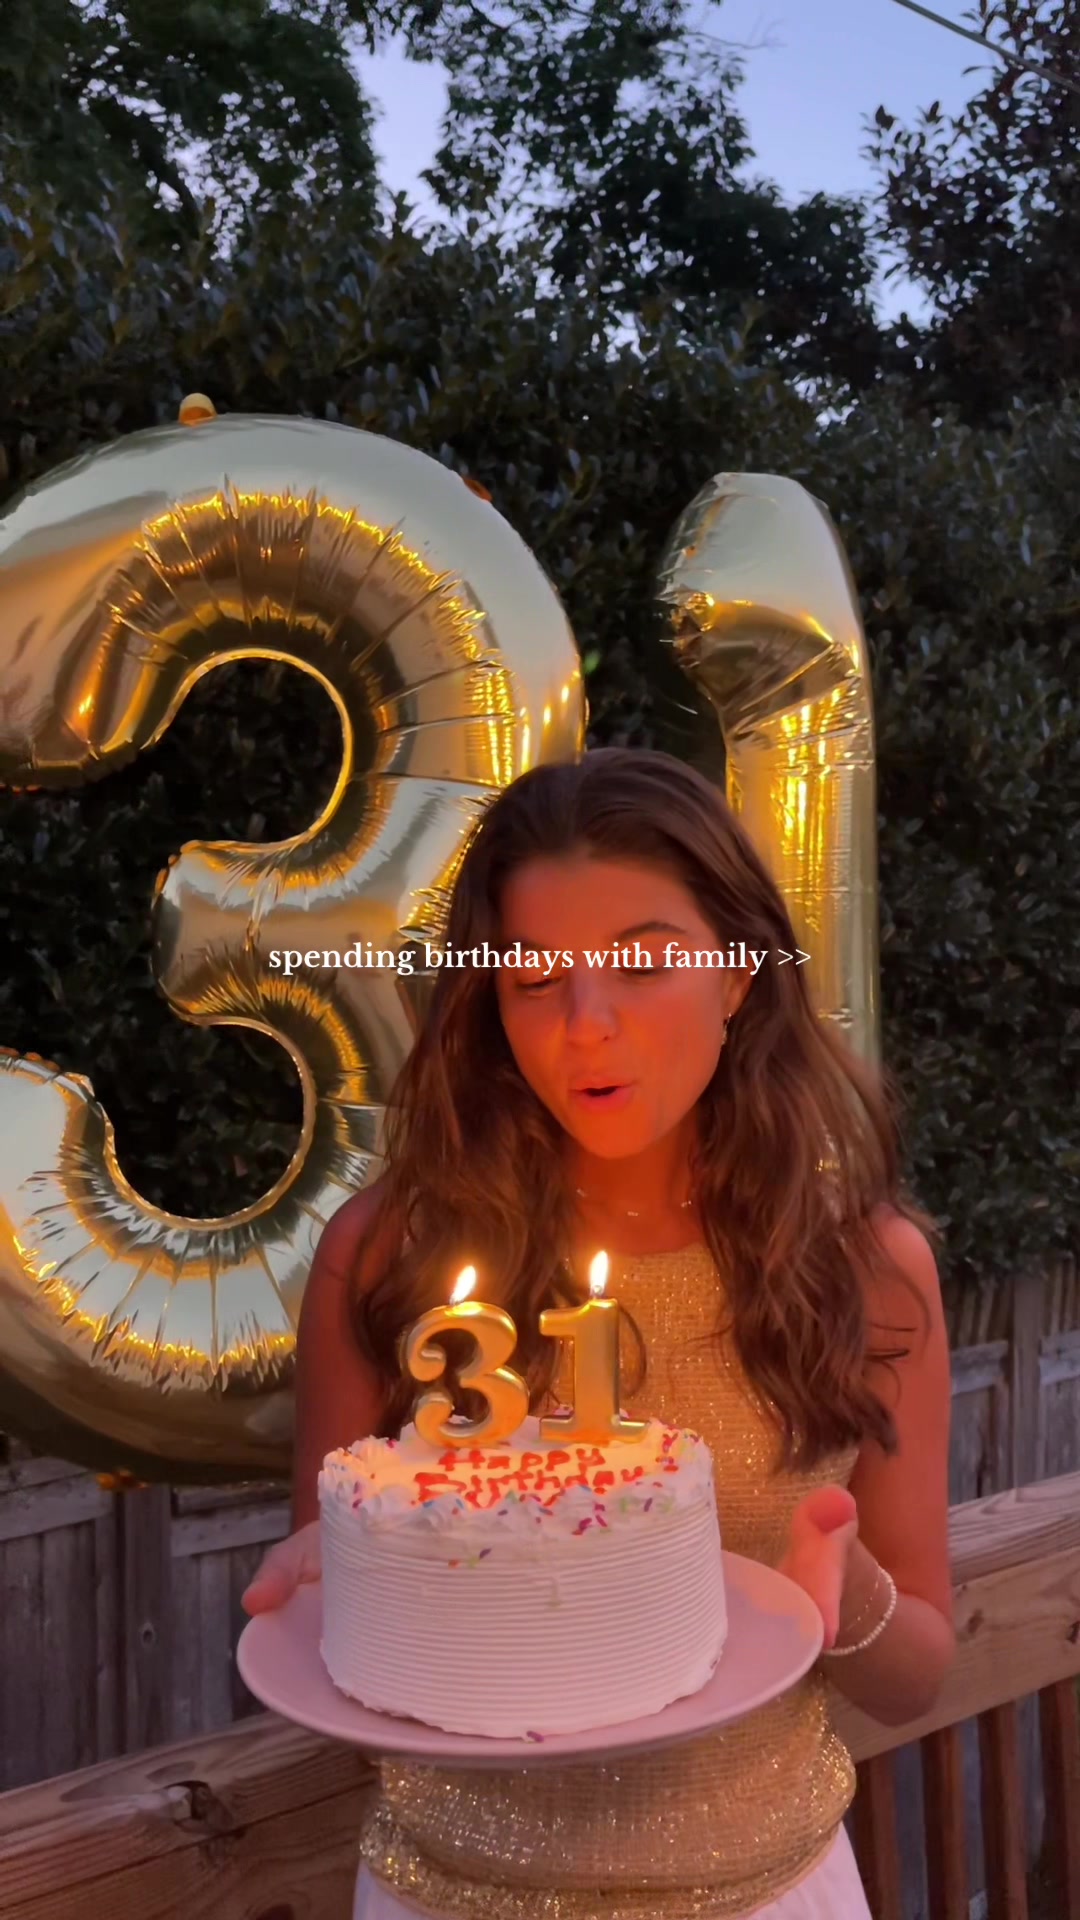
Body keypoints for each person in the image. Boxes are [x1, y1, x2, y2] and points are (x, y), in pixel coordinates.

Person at [243, 747, 955, 1920]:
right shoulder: (388, 1257)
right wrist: (345, 1586)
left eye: (644, 963)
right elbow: (349, 1639)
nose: (587, 1024)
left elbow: (917, 1673)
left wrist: (849, 1592)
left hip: (771, 1894)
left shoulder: (865, 1269)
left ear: (737, 974)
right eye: (534, 978)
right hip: (449, 1898)